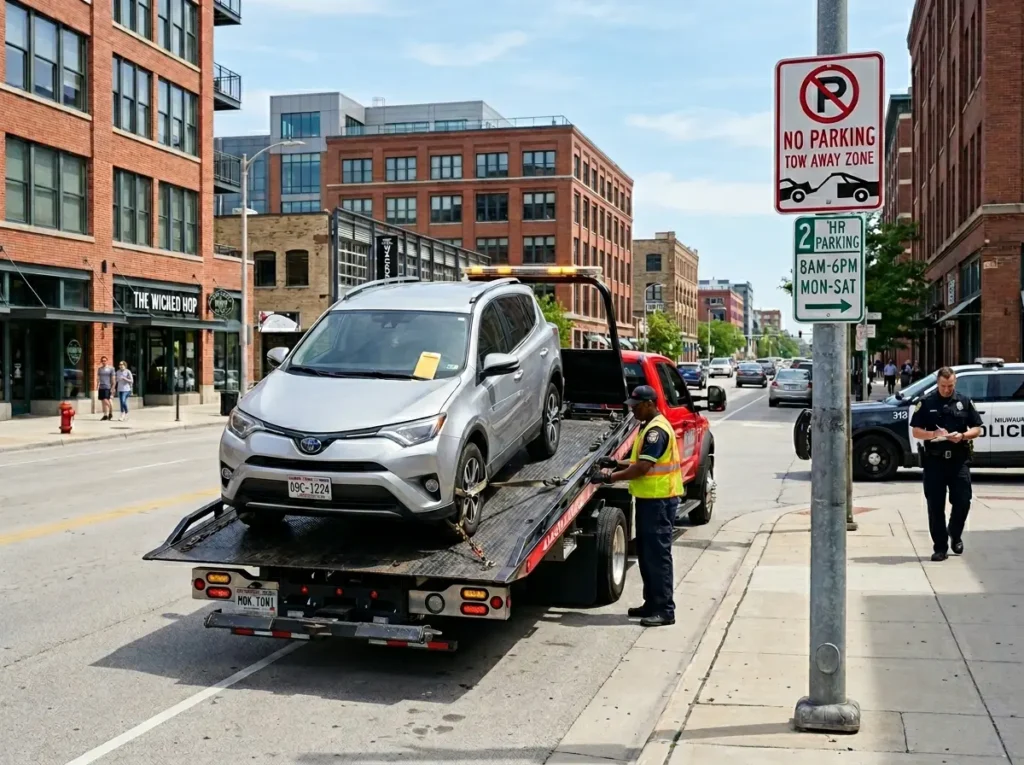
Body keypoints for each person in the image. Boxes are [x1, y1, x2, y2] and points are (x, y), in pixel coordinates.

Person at [592, 385, 682, 627]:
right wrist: (616, 462)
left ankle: (664, 610)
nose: (632, 410)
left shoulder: (657, 432)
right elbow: (637, 462)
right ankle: (651, 604)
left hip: (660, 502)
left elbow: (642, 469)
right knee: (645, 554)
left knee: (657, 556)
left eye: (636, 406)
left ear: (650, 404)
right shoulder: (647, 426)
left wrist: (609, 477)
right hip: (649, 501)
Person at [910, 367, 983, 561]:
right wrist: (934, 434)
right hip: (934, 461)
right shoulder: (926, 402)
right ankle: (940, 547)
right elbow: (916, 431)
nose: (946, 389)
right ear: (937, 383)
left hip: (958, 460)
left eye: (950, 386)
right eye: (943, 386)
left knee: (963, 501)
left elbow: (977, 428)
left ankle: (955, 532)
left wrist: (963, 436)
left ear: (955, 383)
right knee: (935, 506)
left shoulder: (963, 401)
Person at [96, 356, 115, 421]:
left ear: (107, 361)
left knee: (107, 400)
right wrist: (97, 385)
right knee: (103, 401)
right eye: (102, 361)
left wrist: (113, 387)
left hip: (108, 386)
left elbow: (113, 379)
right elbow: (98, 378)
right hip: (101, 386)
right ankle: (105, 415)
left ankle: (111, 412)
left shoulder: (111, 369)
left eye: (105, 360)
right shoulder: (100, 369)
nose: (103, 362)